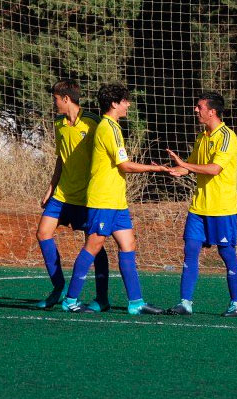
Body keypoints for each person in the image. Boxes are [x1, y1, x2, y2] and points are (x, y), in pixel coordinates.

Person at [62, 83, 167, 314]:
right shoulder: (108, 128)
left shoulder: (114, 127)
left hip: (117, 201)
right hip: (103, 200)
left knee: (128, 245)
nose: (128, 104)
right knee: (93, 246)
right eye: (125, 101)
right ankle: (70, 300)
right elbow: (124, 165)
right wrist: (156, 169)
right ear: (114, 104)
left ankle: (136, 303)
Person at [165, 92, 237, 317]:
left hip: (222, 208)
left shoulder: (227, 137)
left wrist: (186, 165)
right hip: (199, 207)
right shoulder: (202, 137)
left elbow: (214, 169)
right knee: (190, 250)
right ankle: (185, 303)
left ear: (212, 111)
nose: (195, 110)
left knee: (227, 253)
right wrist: (172, 169)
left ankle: (236, 304)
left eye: (199, 107)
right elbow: (191, 167)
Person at [36, 79, 110, 312]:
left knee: (95, 246)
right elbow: (61, 157)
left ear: (66, 99)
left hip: (88, 196)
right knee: (42, 233)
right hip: (62, 194)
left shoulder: (93, 123)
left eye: (56, 99)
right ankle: (58, 288)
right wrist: (51, 186)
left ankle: (102, 298)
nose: (54, 103)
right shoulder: (59, 123)